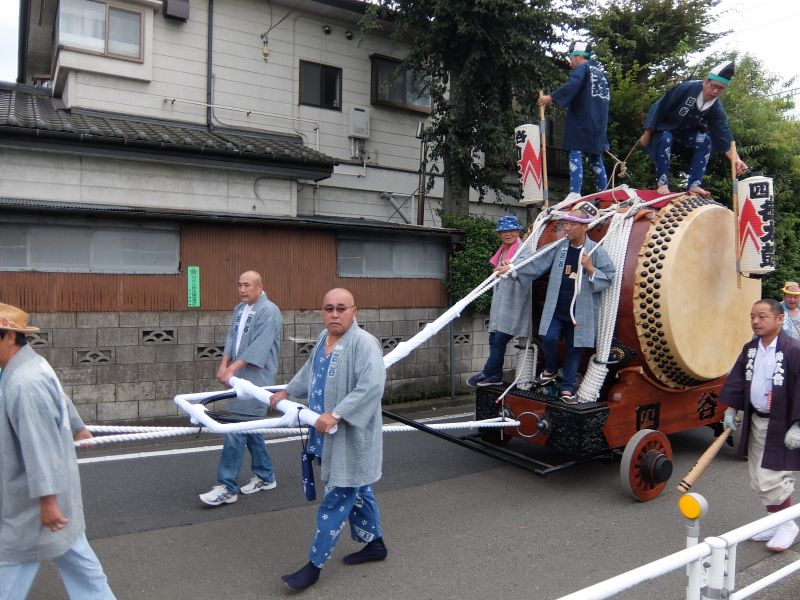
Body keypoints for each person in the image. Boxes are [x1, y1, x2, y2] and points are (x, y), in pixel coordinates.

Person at [270, 288, 387, 592]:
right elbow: (310, 371)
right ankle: (376, 545)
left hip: (350, 436)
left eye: (341, 308)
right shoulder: (325, 338)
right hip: (325, 432)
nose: (334, 314)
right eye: (328, 309)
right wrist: (288, 390)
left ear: (354, 311)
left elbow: (372, 387)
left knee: (337, 498)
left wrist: (337, 413)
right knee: (358, 489)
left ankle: (314, 565)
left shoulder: (364, 343)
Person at [0, 303, 116, 599]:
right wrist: (78, 427)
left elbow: (37, 444)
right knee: (80, 563)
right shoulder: (32, 364)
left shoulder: (24, 382)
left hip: (32, 500)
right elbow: (60, 397)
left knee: (11, 568)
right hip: (53, 493)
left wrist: (47, 500)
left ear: (9, 336)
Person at [495, 203, 615, 403]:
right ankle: (550, 369)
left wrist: (590, 268)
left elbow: (609, 277)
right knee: (548, 338)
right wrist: (512, 268)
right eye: (566, 223)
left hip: (580, 313)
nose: (567, 228)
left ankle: (567, 389)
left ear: (585, 227)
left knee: (574, 350)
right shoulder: (559, 247)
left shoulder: (595, 250)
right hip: (557, 309)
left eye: (572, 224)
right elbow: (536, 261)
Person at [721, 299, 800, 552]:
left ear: (779, 319)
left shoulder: (794, 349)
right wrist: (731, 409)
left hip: (782, 424)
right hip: (756, 420)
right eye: (752, 316)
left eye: (762, 316)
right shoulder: (751, 348)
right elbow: (736, 380)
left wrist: (798, 425)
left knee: (773, 477)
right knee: (758, 476)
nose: (756, 321)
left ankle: (787, 525)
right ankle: (773, 521)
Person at [199, 270, 282, 506]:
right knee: (250, 428)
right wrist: (224, 364)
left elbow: (259, 347)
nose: (242, 289)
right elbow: (231, 338)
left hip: (257, 380)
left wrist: (231, 369)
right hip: (239, 377)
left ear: (259, 287)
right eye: (240, 285)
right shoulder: (239, 309)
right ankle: (265, 476)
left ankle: (227, 486)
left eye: (247, 285)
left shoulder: (270, 311)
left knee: (235, 429)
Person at [639, 60, 747, 197]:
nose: (715, 91)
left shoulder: (716, 107)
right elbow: (660, 106)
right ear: (706, 81)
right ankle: (663, 183)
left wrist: (736, 159)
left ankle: (694, 185)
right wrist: (647, 133)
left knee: (705, 141)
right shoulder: (687, 88)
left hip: (686, 135)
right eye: (714, 86)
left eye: (720, 88)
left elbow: (723, 133)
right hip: (665, 130)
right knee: (666, 137)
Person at [538, 41, 610, 201]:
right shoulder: (602, 74)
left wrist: (551, 97)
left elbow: (572, 85)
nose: (570, 62)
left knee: (575, 150)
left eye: (571, 58)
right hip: (600, 123)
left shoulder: (582, 69)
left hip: (584, 119)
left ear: (578, 56)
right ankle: (604, 194)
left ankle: (575, 191)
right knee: (595, 156)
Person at [468, 215, 533, 387]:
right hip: (501, 304)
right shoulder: (503, 250)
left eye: (511, 230)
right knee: (493, 338)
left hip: (515, 303)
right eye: (504, 231)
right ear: (499, 234)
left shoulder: (523, 250)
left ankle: (488, 372)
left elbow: (528, 269)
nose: (508, 234)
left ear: (518, 231)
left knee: (499, 339)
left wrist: (511, 267)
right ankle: (494, 376)